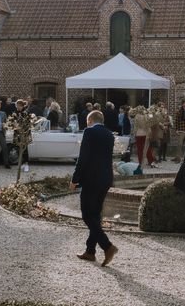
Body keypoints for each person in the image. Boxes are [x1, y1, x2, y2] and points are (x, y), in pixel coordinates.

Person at [70, 110, 118, 266]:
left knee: (87, 215)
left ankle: (107, 246)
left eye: (87, 121)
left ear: (90, 120)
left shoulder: (89, 131)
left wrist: (74, 179)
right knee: (95, 215)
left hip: (92, 179)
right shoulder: (109, 134)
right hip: (105, 179)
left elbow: (83, 157)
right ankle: (90, 251)